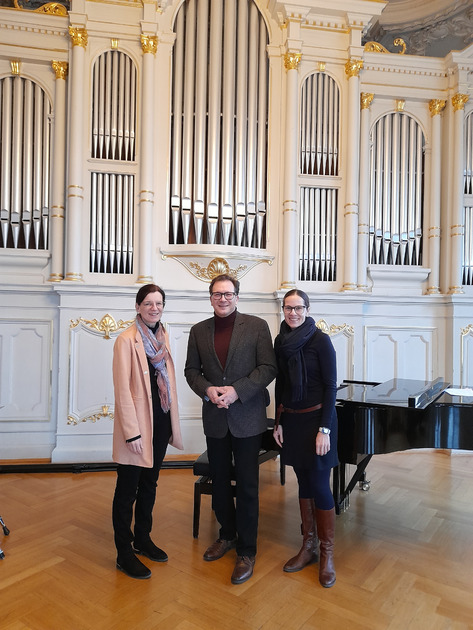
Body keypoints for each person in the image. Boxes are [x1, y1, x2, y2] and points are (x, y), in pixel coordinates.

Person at [185, 274, 277, 585]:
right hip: (216, 417)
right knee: (221, 482)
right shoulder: (199, 331)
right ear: (210, 298)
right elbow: (190, 371)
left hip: (248, 417)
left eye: (228, 294)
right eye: (217, 294)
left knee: (249, 486)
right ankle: (226, 535)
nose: (222, 299)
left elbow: (268, 368)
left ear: (237, 296)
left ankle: (247, 550)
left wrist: (238, 390)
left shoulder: (257, 326)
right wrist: (207, 390)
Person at [112, 284, 183, 579]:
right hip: (138, 428)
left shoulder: (162, 337)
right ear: (138, 306)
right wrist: (132, 433)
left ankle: (143, 538)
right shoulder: (126, 340)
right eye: (148, 303)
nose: (154, 308)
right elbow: (122, 392)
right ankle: (124, 553)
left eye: (159, 303)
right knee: (127, 490)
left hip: (160, 423)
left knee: (150, 484)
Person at [273, 289, 338, 588]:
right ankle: (307, 547)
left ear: (307, 309)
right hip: (294, 422)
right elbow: (282, 385)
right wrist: (279, 422)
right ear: (283, 309)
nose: (293, 313)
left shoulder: (320, 341)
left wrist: (324, 429)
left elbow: (330, 387)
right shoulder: (280, 341)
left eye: (299, 308)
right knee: (303, 483)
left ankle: (326, 554)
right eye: (289, 308)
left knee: (320, 485)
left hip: (318, 421)